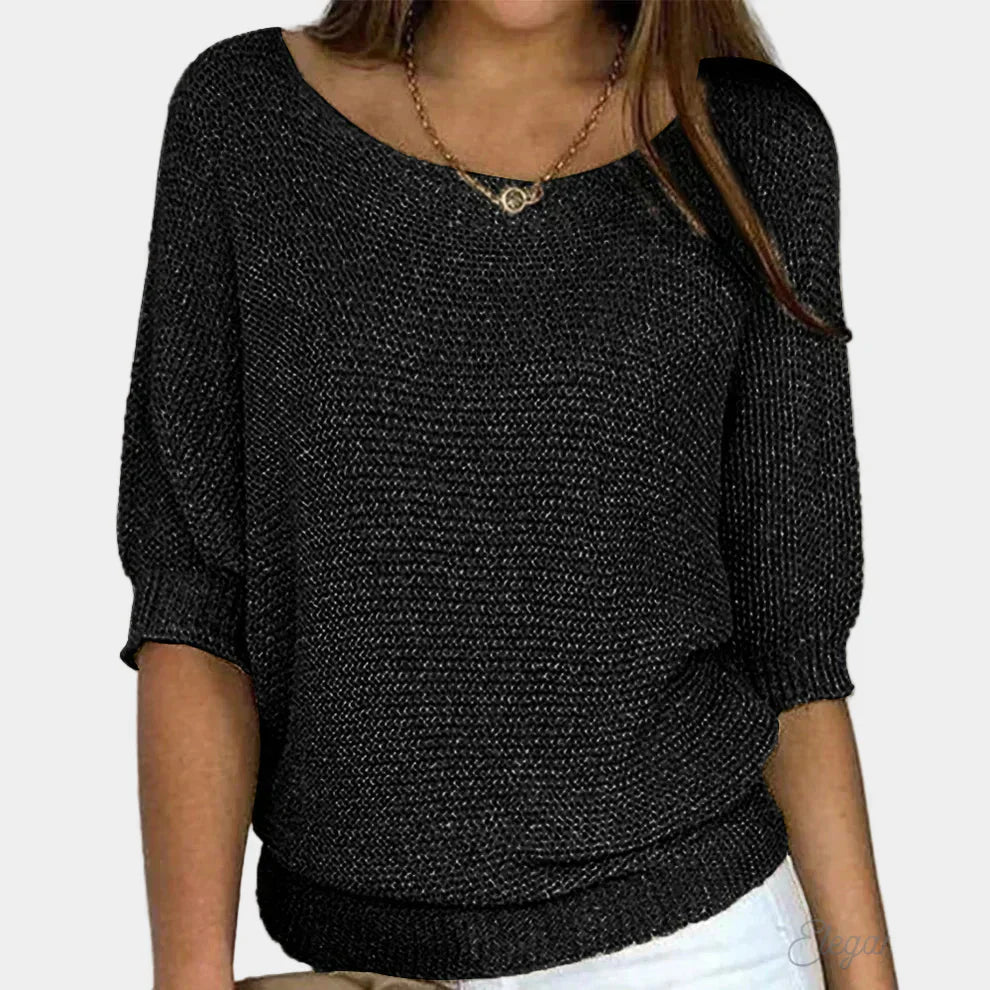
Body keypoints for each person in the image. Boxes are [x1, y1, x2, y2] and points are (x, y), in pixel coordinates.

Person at [115, 2, 898, 988]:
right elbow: (194, 605)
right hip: (358, 960)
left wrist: (866, 974)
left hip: (705, 948)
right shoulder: (246, 117)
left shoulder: (749, 142)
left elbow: (795, 654)